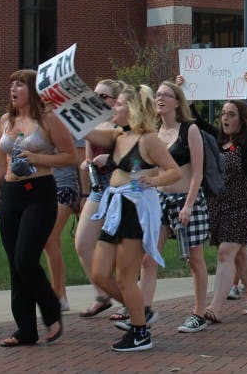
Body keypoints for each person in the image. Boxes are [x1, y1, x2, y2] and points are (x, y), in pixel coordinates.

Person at [0, 70, 74, 346]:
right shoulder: (6, 121)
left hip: (39, 193)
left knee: (25, 260)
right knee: (14, 266)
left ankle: (51, 309)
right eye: (11, 84)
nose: (13, 88)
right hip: (11, 193)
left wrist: (38, 156)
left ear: (34, 90)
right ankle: (25, 329)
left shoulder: (48, 119)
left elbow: (69, 156)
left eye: (20, 83)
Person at [83, 84, 180, 351]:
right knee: (100, 274)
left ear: (132, 109)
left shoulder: (148, 139)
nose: (113, 109)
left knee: (125, 277)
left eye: (118, 105)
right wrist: (61, 113)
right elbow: (89, 132)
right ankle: (138, 309)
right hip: (115, 207)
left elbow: (174, 172)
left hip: (135, 210)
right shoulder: (116, 135)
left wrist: (153, 179)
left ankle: (140, 332)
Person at [198, 72, 247, 320]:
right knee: (240, 255)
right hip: (220, 203)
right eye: (223, 114)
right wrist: (185, 93)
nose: (225, 118)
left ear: (241, 119)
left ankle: (214, 307)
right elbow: (195, 120)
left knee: (226, 252)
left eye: (231, 114)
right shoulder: (216, 141)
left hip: (245, 202)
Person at [150, 80, 211, 332]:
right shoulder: (154, 133)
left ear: (177, 102)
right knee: (149, 255)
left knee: (194, 259)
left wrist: (188, 205)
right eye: (157, 94)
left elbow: (198, 172)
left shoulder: (190, 130)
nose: (160, 98)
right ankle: (143, 309)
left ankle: (199, 314)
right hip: (160, 200)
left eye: (166, 94)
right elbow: (154, 170)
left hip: (187, 199)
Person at [76, 79, 124, 318]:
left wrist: (110, 160)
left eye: (103, 95)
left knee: (117, 249)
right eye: (94, 93)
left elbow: (132, 158)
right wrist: (85, 190)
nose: (97, 98)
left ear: (115, 100)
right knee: (83, 243)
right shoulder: (91, 122)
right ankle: (103, 294)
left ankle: (130, 302)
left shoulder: (120, 124)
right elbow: (87, 157)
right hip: (97, 188)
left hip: (118, 187)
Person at [44, 162, 81, 312]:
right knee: (52, 242)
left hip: (65, 187)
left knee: (49, 238)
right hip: (43, 186)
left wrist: (83, 194)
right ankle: (60, 295)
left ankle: (58, 295)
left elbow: (80, 159)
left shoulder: (73, 136)